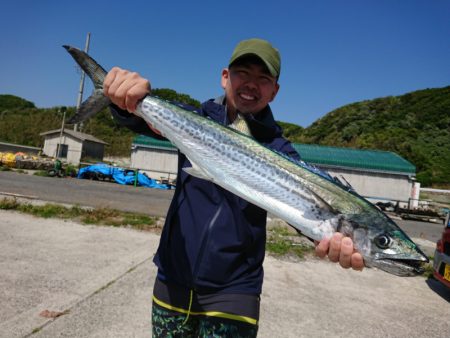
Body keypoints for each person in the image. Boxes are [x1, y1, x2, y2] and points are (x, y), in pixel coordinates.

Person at [103, 38, 364, 337]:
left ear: (274, 91)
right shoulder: (194, 119)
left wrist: (331, 237)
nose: (252, 84)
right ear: (225, 77)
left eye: (263, 78)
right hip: (173, 277)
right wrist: (124, 100)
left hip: (235, 292)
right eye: (243, 73)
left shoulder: (281, 152)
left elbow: (303, 210)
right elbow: (141, 118)